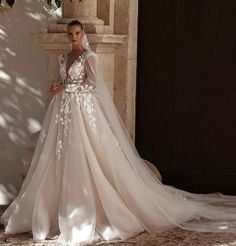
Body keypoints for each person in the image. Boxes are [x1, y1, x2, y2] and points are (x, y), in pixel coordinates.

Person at [1, 20, 236, 245]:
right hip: (62, 112)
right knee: (56, 156)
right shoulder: (63, 57)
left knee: (86, 154)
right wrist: (57, 86)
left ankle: (93, 209)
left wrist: (67, 87)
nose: (73, 38)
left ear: (83, 34)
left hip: (83, 112)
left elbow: (91, 84)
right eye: (70, 34)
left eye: (77, 33)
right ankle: (50, 211)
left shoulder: (89, 57)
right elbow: (63, 79)